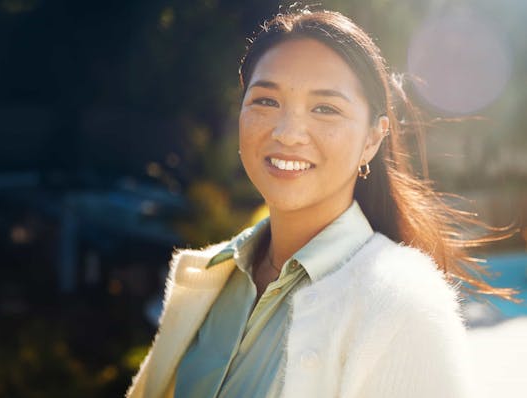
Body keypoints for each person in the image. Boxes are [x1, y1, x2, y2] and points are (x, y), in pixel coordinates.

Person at [126, 7, 515, 398]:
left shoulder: (402, 306)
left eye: (325, 108)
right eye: (266, 101)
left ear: (372, 139)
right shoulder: (209, 277)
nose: (288, 132)